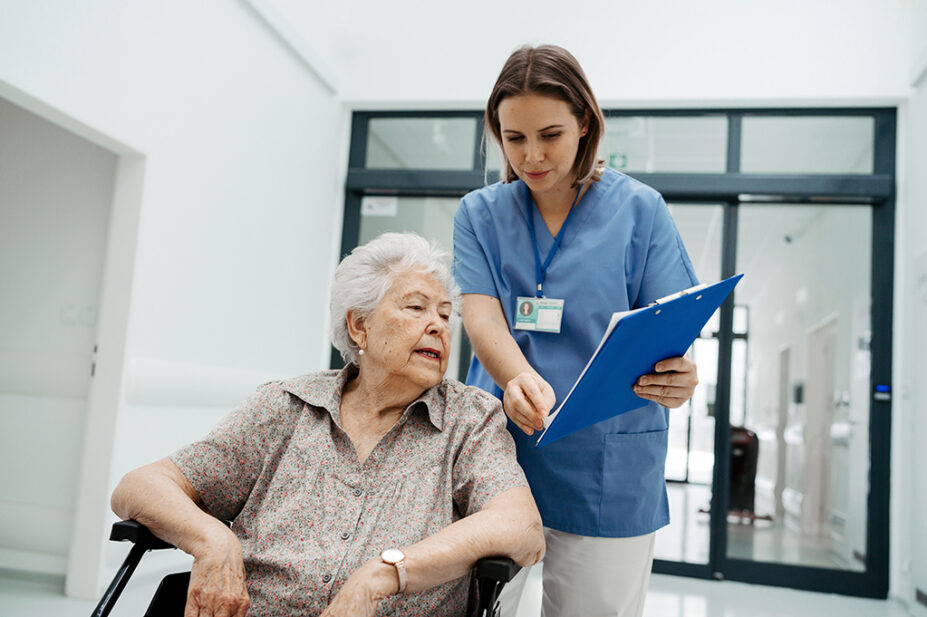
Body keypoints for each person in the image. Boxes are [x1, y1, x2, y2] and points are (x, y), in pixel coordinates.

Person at [110, 232, 545, 617]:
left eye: (446, 315)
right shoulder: (285, 407)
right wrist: (212, 539)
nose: (437, 326)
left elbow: (521, 527)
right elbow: (139, 487)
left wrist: (384, 573)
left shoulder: (468, 420)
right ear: (359, 326)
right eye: (416, 307)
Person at [453, 45, 700, 617]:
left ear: (584, 122)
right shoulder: (479, 214)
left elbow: (668, 325)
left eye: (550, 135)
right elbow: (481, 315)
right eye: (514, 138)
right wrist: (516, 377)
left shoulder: (641, 211)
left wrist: (679, 376)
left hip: (607, 462)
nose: (532, 156)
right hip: (501, 451)